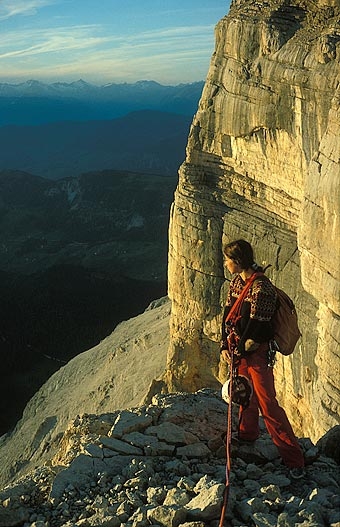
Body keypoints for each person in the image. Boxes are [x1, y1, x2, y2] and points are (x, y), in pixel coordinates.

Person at [220, 239, 305, 479]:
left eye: (228, 260)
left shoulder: (262, 289)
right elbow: (227, 314)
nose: (225, 264)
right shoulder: (237, 283)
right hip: (239, 349)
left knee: (268, 403)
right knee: (244, 393)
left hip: (255, 354)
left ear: (237, 261)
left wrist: (237, 350)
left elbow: (259, 329)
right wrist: (223, 346)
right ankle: (247, 435)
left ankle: (293, 459)